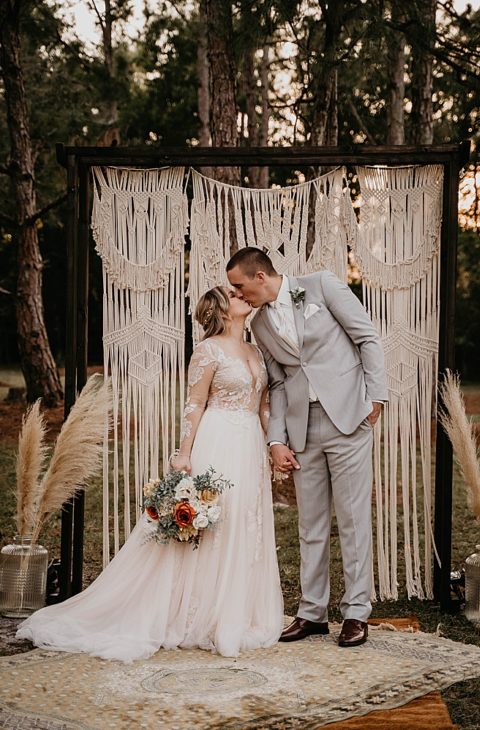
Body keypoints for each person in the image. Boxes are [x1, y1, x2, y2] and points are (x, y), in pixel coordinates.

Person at [18, 286, 283, 662]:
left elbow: (264, 405)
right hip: (219, 441)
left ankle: (237, 610)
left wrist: (273, 444)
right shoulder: (208, 350)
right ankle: (198, 612)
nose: (243, 295)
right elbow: (194, 404)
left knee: (245, 521)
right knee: (217, 523)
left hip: (250, 445)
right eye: (234, 294)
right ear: (222, 310)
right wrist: (184, 454)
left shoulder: (255, 351)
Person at [226, 248, 386, 648]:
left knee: (352, 521)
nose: (238, 294)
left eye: (239, 286)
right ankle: (313, 613)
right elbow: (279, 384)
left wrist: (376, 397)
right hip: (303, 429)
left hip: (348, 417)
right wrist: (277, 439)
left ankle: (356, 613)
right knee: (310, 525)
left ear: (260, 276)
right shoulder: (260, 325)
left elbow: (366, 337)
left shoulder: (321, 286)